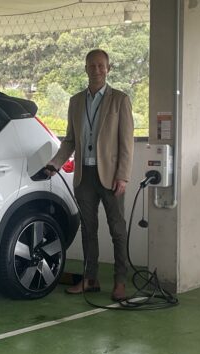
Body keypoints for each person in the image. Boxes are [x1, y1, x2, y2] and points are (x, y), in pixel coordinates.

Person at [42, 48, 135, 302]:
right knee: (88, 230)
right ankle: (90, 279)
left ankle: (120, 281)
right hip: (84, 175)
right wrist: (55, 164)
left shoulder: (120, 100)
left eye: (101, 66)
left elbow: (127, 144)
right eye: (91, 66)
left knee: (117, 229)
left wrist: (123, 176)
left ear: (108, 69)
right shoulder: (75, 102)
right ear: (85, 68)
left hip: (111, 176)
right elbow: (70, 141)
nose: (96, 70)